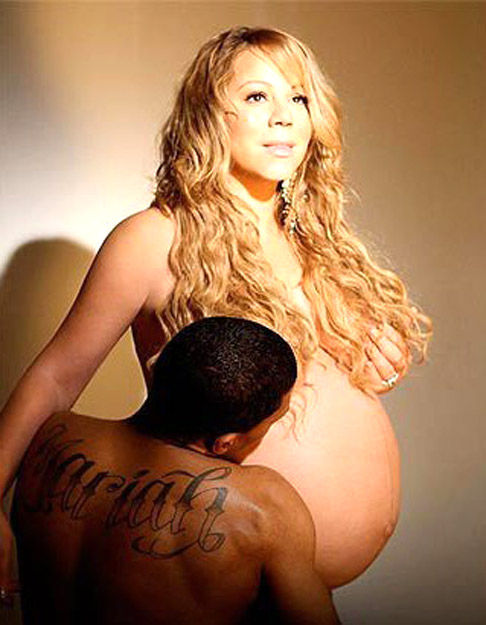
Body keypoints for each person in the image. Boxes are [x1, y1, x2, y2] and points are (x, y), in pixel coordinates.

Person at [0, 26, 432, 602]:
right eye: (256, 96)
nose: (284, 116)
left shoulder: (317, 240)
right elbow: (55, 378)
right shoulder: (156, 238)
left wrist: (375, 366)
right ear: (207, 115)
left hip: (296, 579)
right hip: (211, 564)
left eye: (298, 97)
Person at [12, 317, 339, 625]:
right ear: (223, 443)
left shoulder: (55, 437)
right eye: (272, 422)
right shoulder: (264, 507)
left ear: (157, 370)